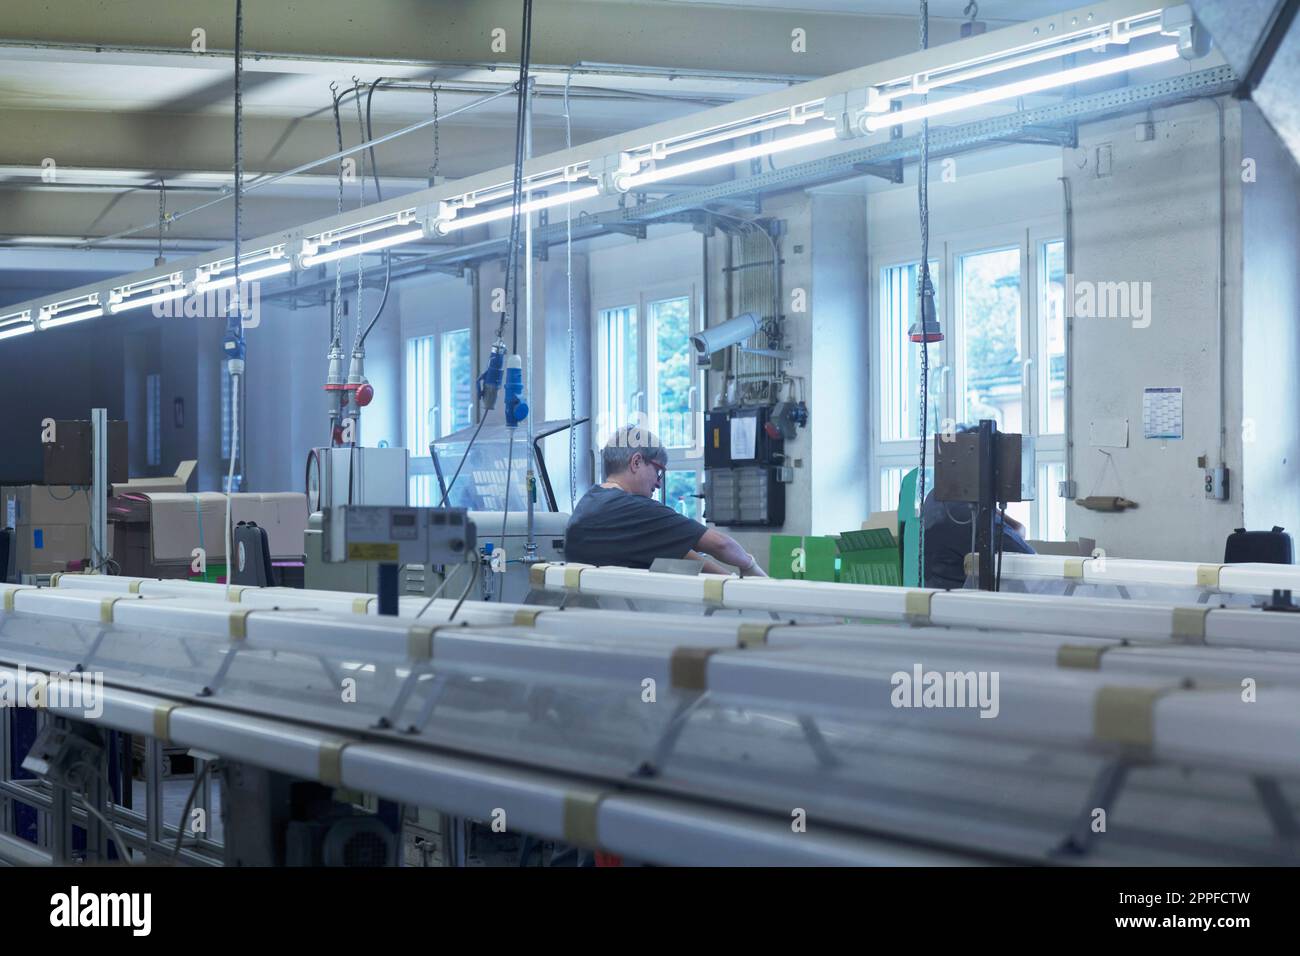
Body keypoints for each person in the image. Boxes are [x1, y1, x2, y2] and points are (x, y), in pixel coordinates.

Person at [565, 426, 768, 576]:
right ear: (636, 462)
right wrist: (751, 569)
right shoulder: (634, 509)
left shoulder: (589, 502)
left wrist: (728, 581)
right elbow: (721, 545)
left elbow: (681, 553)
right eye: (658, 471)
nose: (659, 484)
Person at [921, 491, 1034, 589]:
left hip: (939, 599)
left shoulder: (936, 496)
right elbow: (1030, 563)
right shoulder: (968, 514)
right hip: (966, 606)